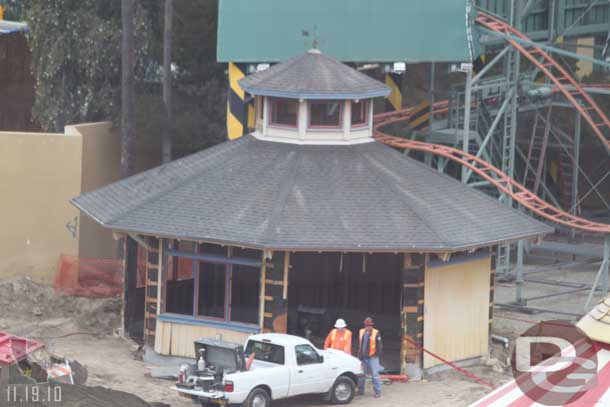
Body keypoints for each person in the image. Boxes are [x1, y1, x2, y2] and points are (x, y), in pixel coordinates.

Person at [357, 317, 383, 398]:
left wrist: (376, 355)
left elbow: (379, 346)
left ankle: (377, 392)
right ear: (365, 325)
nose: (368, 327)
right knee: (361, 375)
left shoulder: (376, 332)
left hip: (373, 357)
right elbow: (360, 345)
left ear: (372, 325)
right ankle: (361, 390)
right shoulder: (361, 332)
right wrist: (360, 355)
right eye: (367, 325)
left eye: (370, 325)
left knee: (375, 375)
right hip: (363, 357)